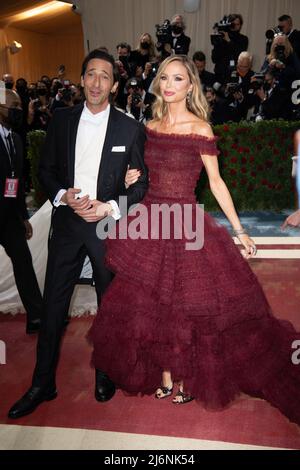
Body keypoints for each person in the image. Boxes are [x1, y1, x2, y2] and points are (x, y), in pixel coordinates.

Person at [90, 55, 300, 425]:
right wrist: (130, 181)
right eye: (165, 78)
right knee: (152, 302)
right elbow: (141, 177)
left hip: (185, 221)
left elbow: (216, 183)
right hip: (151, 221)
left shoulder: (201, 128)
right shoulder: (149, 126)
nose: (169, 85)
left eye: (178, 79)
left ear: (190, 87)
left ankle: (184, 373)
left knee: (187, 303)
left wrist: (240, 230)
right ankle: (166, 372)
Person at [8, 49, 148, 419]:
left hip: (106, 227)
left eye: (104, 76)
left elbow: (140, 185)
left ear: (114, 85)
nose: (97, 82)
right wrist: (62, 196)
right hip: (68, 225)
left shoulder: (129, 128)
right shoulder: (62, 120)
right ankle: (42, 383)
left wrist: (110, 207)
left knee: (108, 304)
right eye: (90, 74)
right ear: (82, 79)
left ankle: (105, 370)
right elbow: (46, 170)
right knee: (54, 304)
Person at [0, 89, 42, 334]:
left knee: (23, 262)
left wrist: (24, 216)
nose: (17, 110)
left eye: (19, 105)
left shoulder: (15, 139)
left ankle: (37, 317)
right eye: (12, 105)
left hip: (10, 217)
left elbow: (15, 182)